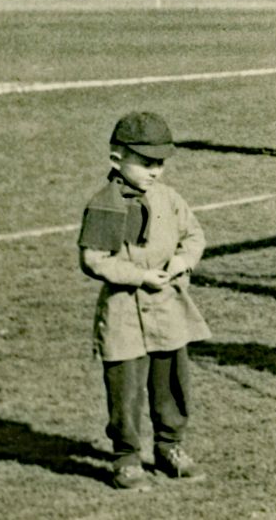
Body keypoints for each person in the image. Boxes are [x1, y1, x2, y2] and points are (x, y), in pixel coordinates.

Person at [78, 111, 212, 489]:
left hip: (167, 306)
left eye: (160, 163)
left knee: (171, 381)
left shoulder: (169, 198)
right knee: (125, 387)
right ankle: (126, 458)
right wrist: (138, 276)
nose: (155, 171)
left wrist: (182, 262)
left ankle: (169, 448)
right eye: (146, 162)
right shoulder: (105, 204)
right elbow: (92, 260)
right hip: (123, 310)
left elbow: (194, 236)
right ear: (116, 159)